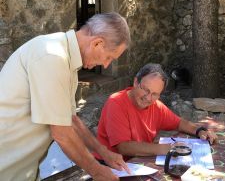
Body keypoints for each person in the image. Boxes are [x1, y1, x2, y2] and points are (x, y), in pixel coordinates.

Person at [0, 12, 131, 181]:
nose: (106, 65)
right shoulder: (52, 56)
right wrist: (97, 171)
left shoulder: (65, 60)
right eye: (108, 57)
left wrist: (103, 152)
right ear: (97, 43)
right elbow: (61, 132)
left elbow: (70, 120)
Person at [95, 63, 218, 160]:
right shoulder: (116, 102)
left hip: (137, 163)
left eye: (154, 94)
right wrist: (166, 149)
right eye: (145, 90)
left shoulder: (156, 106)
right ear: (136, 82)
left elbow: (179, 123)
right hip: (110, 167)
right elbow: (124, 147)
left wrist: (200, 131)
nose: (148, 98)